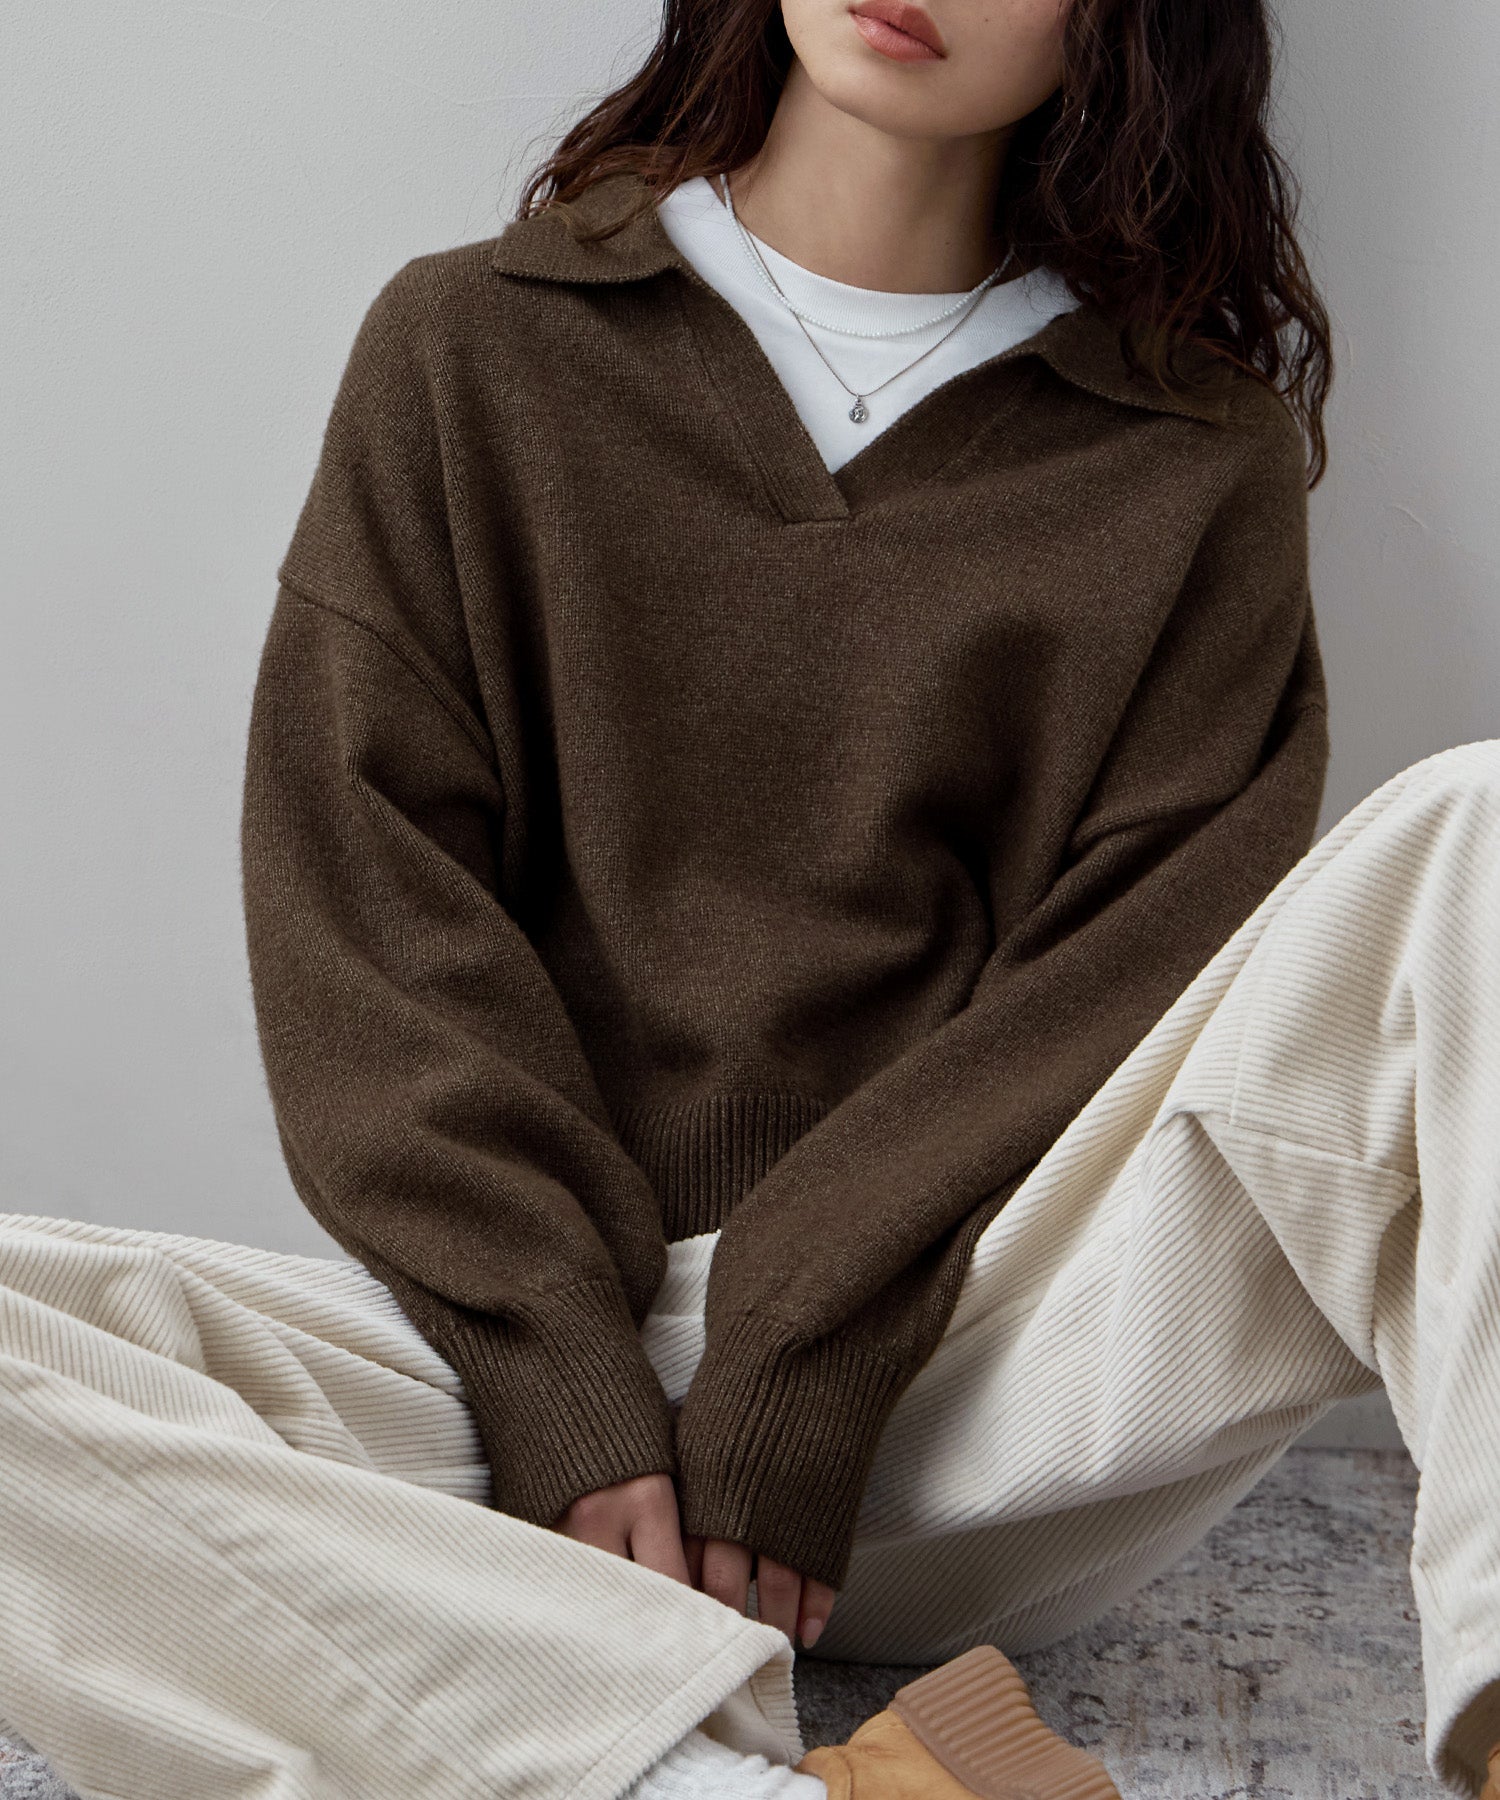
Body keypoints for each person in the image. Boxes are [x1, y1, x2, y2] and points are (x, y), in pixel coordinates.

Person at [2, 0, 1498, 1797]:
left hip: (980, 1357)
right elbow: (370, 920)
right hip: (531, 1364)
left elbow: (1129, 969)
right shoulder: (474, 349)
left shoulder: (1187, 451)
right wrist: (558, 1374)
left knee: (1486, 831)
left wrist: (804, 1337)